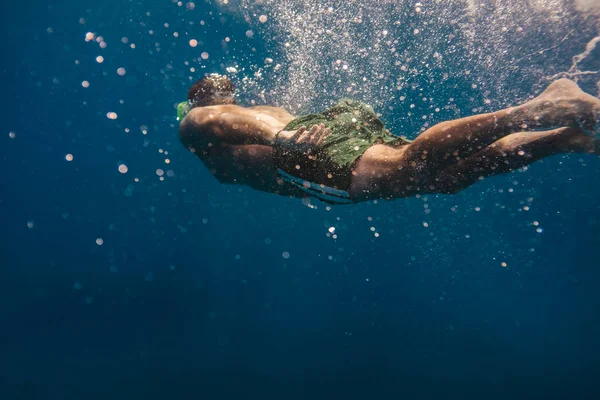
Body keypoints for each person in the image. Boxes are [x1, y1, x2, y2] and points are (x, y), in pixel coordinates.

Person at [178, 73, 600, 205]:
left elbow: (215, 120)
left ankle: (539, 109)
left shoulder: (195, 122)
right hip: (323, 136)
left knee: (411, 165)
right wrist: (286, 134)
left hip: (301, 156)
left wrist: (283, 139)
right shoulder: (256, 109)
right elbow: (233, 118)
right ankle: (563, 138)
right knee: (445, 175)